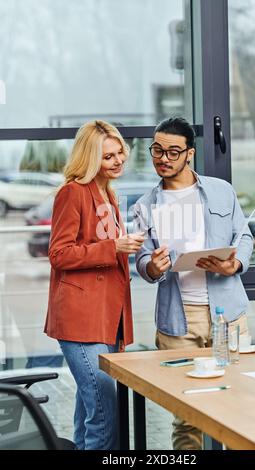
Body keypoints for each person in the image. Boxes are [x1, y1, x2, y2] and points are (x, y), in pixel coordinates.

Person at [134, 117, 253, 450]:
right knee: (186, 414)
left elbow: (243, 235)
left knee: (239, 405)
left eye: (173, 151)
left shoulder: (220, 190)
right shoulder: (145, 205)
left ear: (190, 154)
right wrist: (153, 267)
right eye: (157, 150)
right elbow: (142, 260)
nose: (164, 158)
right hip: (178, 320)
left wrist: (235, 263)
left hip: (228, 314)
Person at [44, 120, 144, 450]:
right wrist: (113, 247)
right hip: (81, 319)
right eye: (107, 157)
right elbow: (59, 254)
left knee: (90, 409)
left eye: (120, 154)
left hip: (106, 316)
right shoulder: (73, 192)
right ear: (89, 158)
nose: (117, 162)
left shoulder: (108, 194)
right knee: (103, 414)